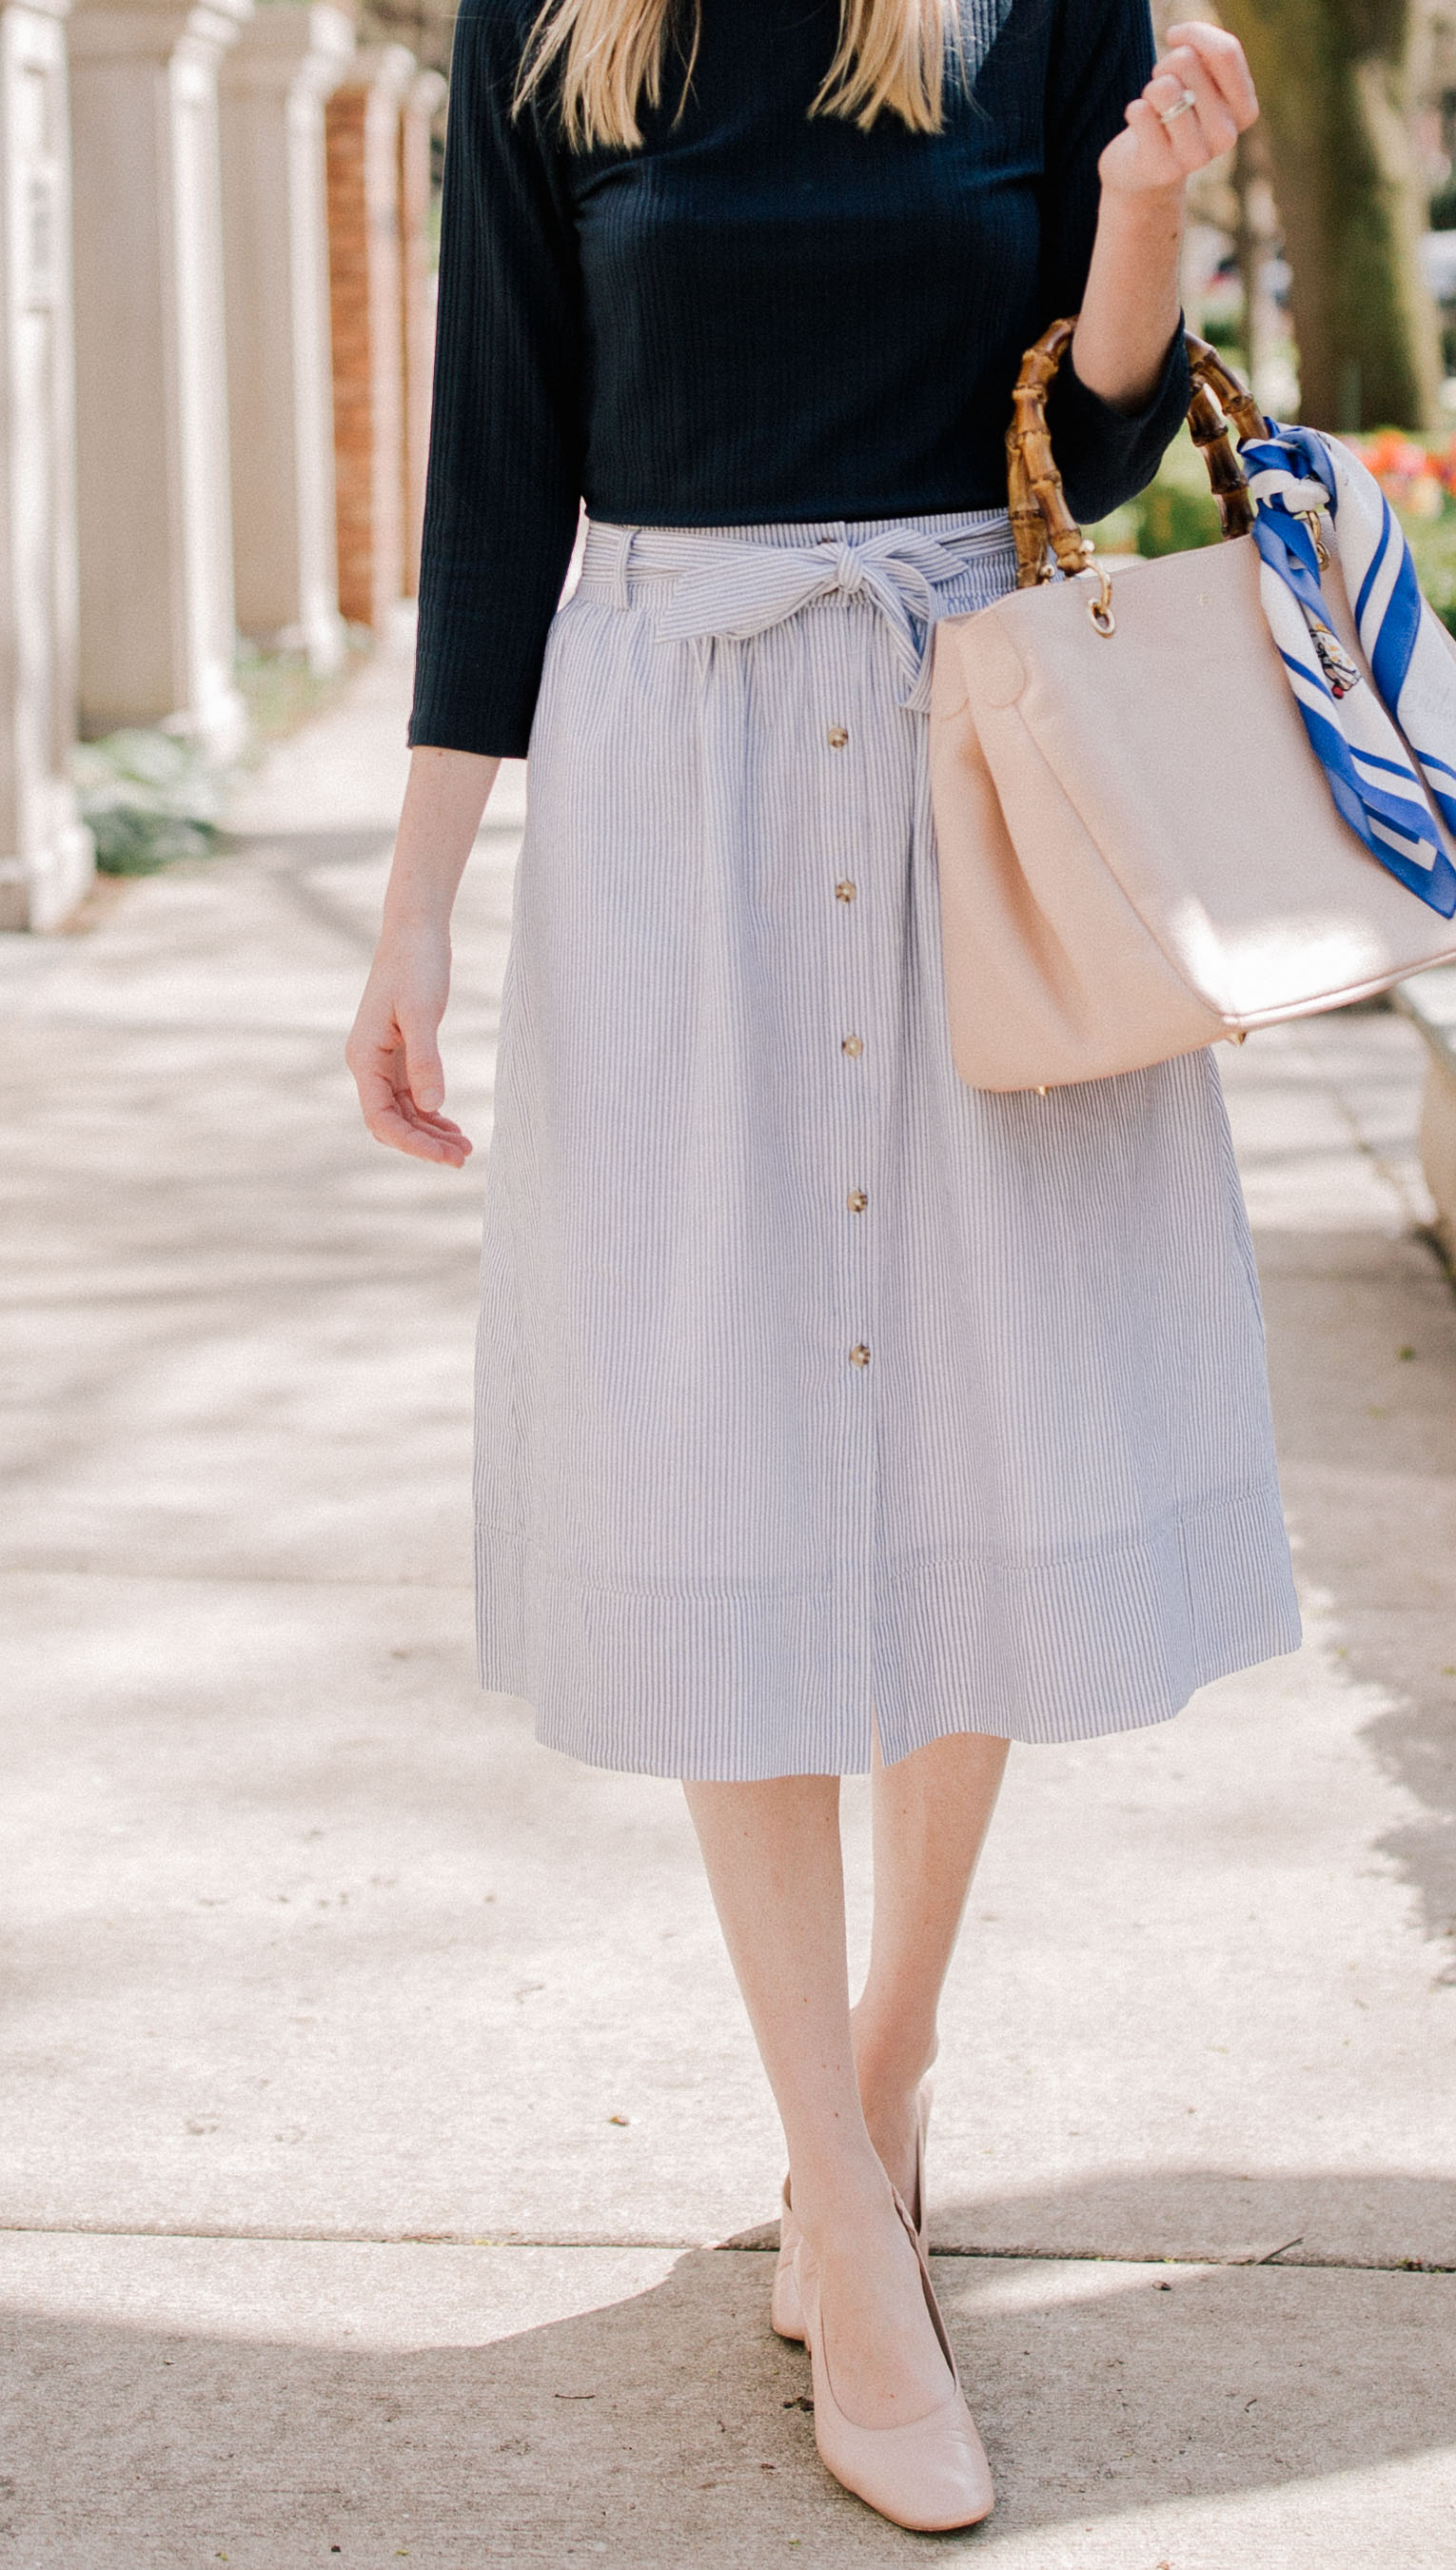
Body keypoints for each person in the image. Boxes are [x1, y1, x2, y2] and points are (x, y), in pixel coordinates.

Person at [346, 0, 1294, 2528]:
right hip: (676, 773)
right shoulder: (559, 30)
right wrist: (420, 900)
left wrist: (1146, 200)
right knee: (738, 1441)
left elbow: (1091, 432)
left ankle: (879, 2085)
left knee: (977, 1407)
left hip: (981, 748)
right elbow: (499, 456)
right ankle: (844, 2217)